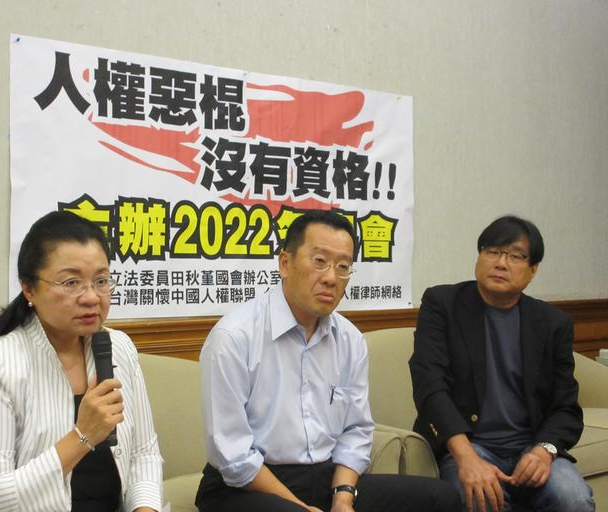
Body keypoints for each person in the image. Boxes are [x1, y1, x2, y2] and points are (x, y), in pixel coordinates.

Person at [195, 210, 461, 512]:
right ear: (285, 263)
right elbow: (233, 456)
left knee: (440, 498)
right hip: (244, 488)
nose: (331, 278)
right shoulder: (234, 337)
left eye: (343, 266)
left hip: (325, 479)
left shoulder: (349, 339)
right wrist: (300, 507)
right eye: (319, 261)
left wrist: (343, 498)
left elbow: (356, 430)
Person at [0, 211, 163, 512]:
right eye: (71, 282)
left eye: (101, 280)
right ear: (29, 288)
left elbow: (144, 454)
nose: (91, 297)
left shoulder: (119, 347)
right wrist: (82, 436)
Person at [409, 215, 595, 512]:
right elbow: (429, 385)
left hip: (530, 447)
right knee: (481, 500)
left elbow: (565, 407)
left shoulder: (552, 323)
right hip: (470, 445)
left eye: (515, 256)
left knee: (574, 500)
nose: (501, 263)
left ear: (533, 270)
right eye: (493, 251)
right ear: (479, 256)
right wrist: (466, 457)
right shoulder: (442, 304)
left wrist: (544, 451)